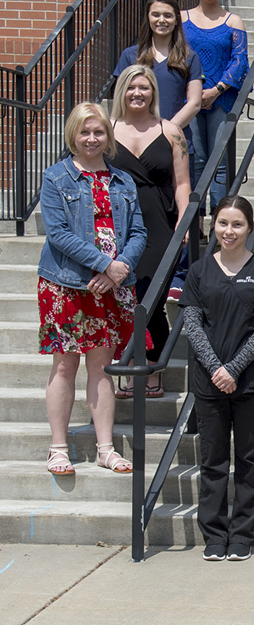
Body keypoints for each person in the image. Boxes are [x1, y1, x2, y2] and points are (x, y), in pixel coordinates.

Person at [39, 103, 147, 477]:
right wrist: (104, 265)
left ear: (108, 136)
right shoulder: (56, 178)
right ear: (73, 135)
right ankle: (58, 448)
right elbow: (57, 233)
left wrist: (119, 271)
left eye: (98, 132)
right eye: (85, 132)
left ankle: (105, 448)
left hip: (112, 284)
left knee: (102, 366)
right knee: (66, 363)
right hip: (67, 283)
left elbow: (138, 233)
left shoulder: (123, 181)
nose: (91, 138)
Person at [178, 196, 254, 561]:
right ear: (213, 226)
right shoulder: (199, 271)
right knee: (213, 460)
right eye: (223, 223)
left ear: (250, 229)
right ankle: (214, 535)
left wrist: (233, 369)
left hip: (251, 383)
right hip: (209, 384)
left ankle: (242, 535)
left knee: (250, 460)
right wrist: (216, 369)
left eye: (237, 224)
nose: (229, 231)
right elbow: (193, 324)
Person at [109, 64, 191, 400]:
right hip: (117, 223)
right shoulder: (108, 128)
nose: (137, 93)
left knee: (150, 300)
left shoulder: (171, 131)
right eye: (131, 88)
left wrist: (186, 221)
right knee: (126, 299)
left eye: (144, 87)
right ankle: (129, 365)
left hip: (159, 223)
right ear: (122, 92)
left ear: (153, 92)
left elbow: (183, 182)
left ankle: (151, 371)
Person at [182, 0, 249, 209]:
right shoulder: (182, 19)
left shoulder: (234, 21)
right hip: (189, 99)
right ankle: (195, 220)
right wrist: (195, 92)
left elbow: (240, 61)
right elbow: (177, 57)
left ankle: (219, 221)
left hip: (219, 98)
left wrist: (216, 90)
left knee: (219, 162)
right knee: (196, 159)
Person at [114, 0, 204, 151]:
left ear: (176, 20)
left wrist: (166, 131)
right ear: (148, 18)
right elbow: (120, 99)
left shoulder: (190, 58)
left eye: (167, 15)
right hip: (134, 142)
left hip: (174, 140)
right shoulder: (130, 55)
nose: (161, 20)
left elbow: (194, 103)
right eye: (156, 14)